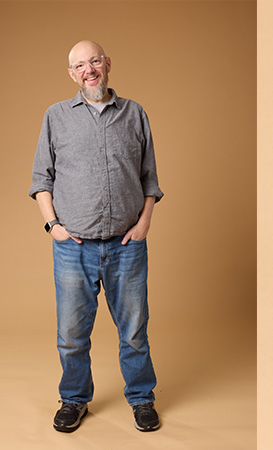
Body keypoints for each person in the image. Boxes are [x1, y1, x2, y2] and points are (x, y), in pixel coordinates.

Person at [29, 40, 164, 433]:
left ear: (107, 64)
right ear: (72, 74)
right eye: (79, 65)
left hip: (127, 245)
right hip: (74, 248)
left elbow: (149, 177)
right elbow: (41, 178)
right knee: (71, 335)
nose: (89, 70)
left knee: (135, 331)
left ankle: (142, 399)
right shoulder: (55, 116)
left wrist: (144, 224)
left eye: (94, 62)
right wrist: (53, 226)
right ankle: (73, 399)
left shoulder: (134, 113)